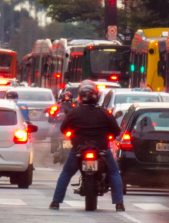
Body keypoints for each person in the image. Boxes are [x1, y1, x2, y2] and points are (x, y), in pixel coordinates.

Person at [50, 81, 126, 211]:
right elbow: (116, 130)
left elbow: (63, 128)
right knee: (114, 172)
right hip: (101, 149)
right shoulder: (104, 113)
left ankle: (56, 202)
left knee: (66, 173)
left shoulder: (74, 113)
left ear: (80, 97)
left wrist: (73, 134)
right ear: (96, 97)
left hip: (79, 149)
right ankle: (119, 204)